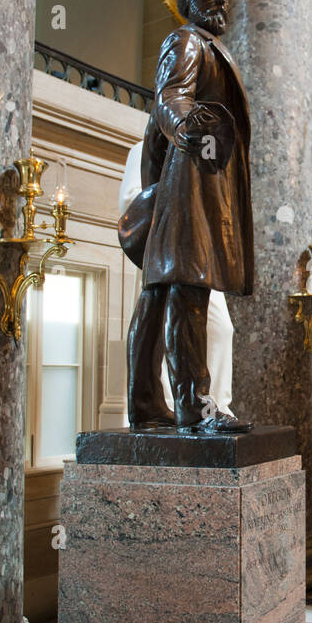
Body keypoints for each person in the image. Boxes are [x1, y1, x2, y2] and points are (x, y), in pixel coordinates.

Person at [119, 0, 253, 431]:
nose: (221, 2)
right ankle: (195, 405)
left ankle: (145, 406)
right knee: (188, 286)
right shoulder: (186, 41)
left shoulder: (209, 45)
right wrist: (191, 129)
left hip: (189, 178)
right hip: (188, 180)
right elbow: (171, 97)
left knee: (159, 295)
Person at [118, 141, 236, 421]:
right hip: (166, 252)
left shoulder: (200, 151)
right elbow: (131, 202)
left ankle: (216, 405)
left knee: (221, 329)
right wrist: (178, 195)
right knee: (162, 329)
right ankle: (171, 406)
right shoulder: (144, 148)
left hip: (197, 254)